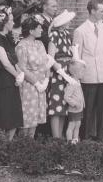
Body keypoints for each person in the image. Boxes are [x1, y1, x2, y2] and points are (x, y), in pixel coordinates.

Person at [16, 15, 75, 138]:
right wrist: (36, 83)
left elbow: (47, 62)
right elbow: (22, 68)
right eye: (39, 28)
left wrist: (46, 81)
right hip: (29, 85)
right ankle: (21, 149)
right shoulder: (21, 46)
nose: (41, 30)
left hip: (42, 84)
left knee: (35, 121)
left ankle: (31, 146)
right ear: (31, 31)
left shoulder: (40, 44)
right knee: (27, 120)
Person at [73, 0, 103, 141]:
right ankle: (85, 138)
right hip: (88, 75)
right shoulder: (80, 31)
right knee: (88, 109)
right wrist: (77, 77)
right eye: (101, 11)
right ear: (92, 11)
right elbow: (76, 56)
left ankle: (101, 137)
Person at [0, 6, 24, 140]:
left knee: (14, 117)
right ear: (4, 22)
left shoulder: (8, 38)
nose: (13, 23)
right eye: (12, 20)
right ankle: (1, 148)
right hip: (3, 81)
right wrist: (17, 75)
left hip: (12, 81)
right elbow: (5, 63)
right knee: (4, 117)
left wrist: (20, 73)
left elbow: (13, 62)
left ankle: (9, 146)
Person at [47, 9, 75, 138]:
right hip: (58, 74)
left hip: (68, 72)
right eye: (68, 21)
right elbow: (50, 58)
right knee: (56, 106)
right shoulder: (54, 35)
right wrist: (62, 73)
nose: (70, 22)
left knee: (64, 107)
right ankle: (55, 137)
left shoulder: (67, 35)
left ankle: (61, 136)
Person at [64, 46, 86, 144]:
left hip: (79, 109)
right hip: (74, 109)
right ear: (76, 72)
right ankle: (69, 141)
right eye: (82, 71)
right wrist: (74, 104)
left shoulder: (77, 82)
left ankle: (75, 140)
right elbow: (66, 97)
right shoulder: (71, 83)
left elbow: (80, 94)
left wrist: (83, 104)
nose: (83, 73)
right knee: (72, 126)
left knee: (78, 125)